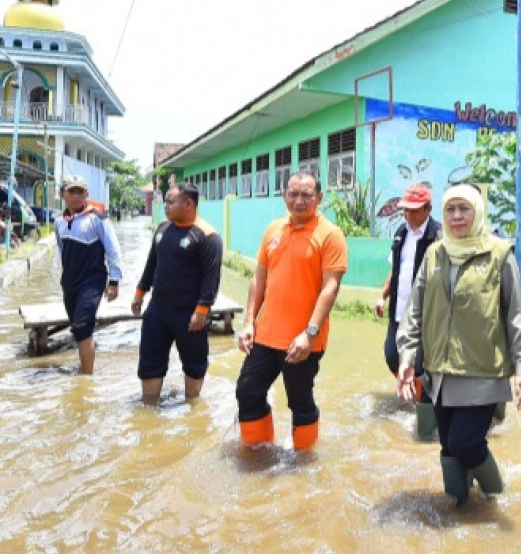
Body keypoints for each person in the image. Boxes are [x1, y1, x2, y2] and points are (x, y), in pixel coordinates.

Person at [396, 184, 521, 505]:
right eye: (450, 210)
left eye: (464, 209)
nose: (457, 216)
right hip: (440, 370)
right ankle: (459, 507)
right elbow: (415, 309)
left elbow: (516, 315)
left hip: (482, 370)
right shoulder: (435, 254)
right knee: (448, 445)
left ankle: (497, 497)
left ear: (478, 212)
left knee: (466, 442)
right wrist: (406, 358)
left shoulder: (499, 254)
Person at [235, 172, 348, 451]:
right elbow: (258, 278)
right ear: (285, 195)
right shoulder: (274, 229)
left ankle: (304, 461)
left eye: (306, 195)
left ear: (319, 198)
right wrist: (249, 322)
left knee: (299, 401)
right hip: (265, 334)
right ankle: (259, 454)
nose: (299, 200)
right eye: (293, 194)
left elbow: (329, 289)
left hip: (302, 340)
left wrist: (309, 334)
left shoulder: (330, 235)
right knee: (247, 391)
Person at [131, 183, 223, 402]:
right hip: (158, 309)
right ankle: (149, 407)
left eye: (171, 202)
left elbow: (212, 278)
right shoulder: (163, 228)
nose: (166, 206)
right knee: (150, 359)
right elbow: (152, 263)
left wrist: (202, 310)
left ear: (188, 203)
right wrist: (140, 292)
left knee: (194, 363)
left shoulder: (208, 236)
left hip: (189, 313)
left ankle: (193, 405)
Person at [376, 182, 442, 439]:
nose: (408, 215)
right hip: (398, 310)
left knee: (424, 366)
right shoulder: (401, 233)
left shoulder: (438, 237)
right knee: (392, 355)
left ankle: (427, 426)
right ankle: (412, 390)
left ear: (428, 208)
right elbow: (396, 271)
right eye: (405, 210)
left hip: (426, 316)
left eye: (414, 210)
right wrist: (382, 295)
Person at [53, 174, 123, 375]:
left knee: (82, 327)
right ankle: (87, 358)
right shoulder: (59, 221)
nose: (76, 196)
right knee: (78, 328)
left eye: (80, 192)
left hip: (92, 281)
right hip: (69, 281)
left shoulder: (98, 219)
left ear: (86, 195)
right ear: (62, 195)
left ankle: (86, 379)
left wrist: (114, 281)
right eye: (71, 191)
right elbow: (61, 250)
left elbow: (113, 250)